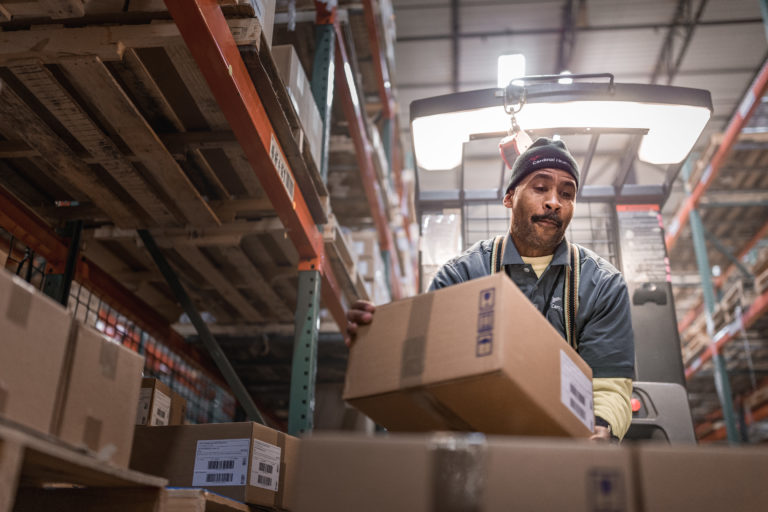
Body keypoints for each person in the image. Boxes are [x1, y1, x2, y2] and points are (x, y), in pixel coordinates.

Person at [345, 137, 635, 442]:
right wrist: (378, 343)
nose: (554, 202)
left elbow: (609, 384)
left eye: (567, 193)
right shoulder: (463, 276)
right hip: (478, 454)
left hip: (563, 455)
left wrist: (601, 429)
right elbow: (427, 369)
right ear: (509, 198)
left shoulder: (602, 285)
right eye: (540, 188)